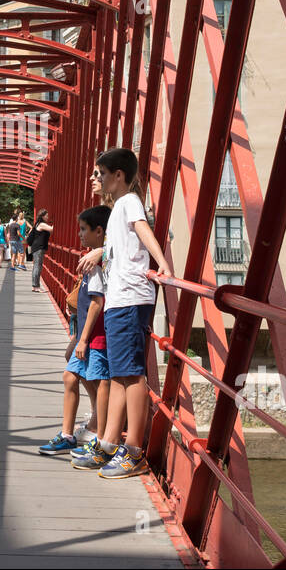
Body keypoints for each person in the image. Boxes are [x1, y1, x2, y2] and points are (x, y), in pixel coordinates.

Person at [72, 148, 171, 479]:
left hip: (130, 299)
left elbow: (142, 229)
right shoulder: (116, 211)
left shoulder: (128, 201)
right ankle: (108, 443)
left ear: (118, 175)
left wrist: (164, 264)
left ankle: (134, 452)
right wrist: (101, 249)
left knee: (132, 375)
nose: (96, 179)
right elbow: (122, 244)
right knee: (118, 375)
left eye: (100, 174)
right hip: (119, 300)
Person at [39, 205, 110, 456]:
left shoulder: (97, 265)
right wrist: (78, 338)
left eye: (83, 229)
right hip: (85, 335)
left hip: (96, 336)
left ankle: (101, 438)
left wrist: (82, 339)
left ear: (99, 232)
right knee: (70, 377)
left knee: (98, 381)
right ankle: (67, 435)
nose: (78, 234)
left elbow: (96, 303)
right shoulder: (92, 260)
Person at [28, 209, 53, 292]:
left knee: (37, 266)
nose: (48, 217)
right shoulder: (42, 224)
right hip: (39, 247)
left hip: (37, 247)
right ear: (43, 216)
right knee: (37, 266)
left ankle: (34, 286)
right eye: (47, 216)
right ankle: (36, 286)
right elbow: (51, 229)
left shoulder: (38, 224)